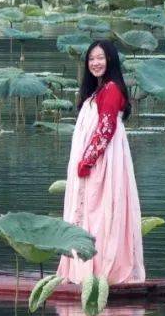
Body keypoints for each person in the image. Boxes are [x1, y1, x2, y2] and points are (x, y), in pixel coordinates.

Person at [57, 40, 145, 284]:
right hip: (97, 159)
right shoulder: (98, 89)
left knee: (100, 211)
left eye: (101, 58)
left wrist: (88, 160)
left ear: (111, 61)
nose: (95, 63)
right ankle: (87, 268)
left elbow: (106, 128)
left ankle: (101, 269)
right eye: (92, 58)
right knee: (93, 211)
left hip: (103, 163)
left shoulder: (112, 89)